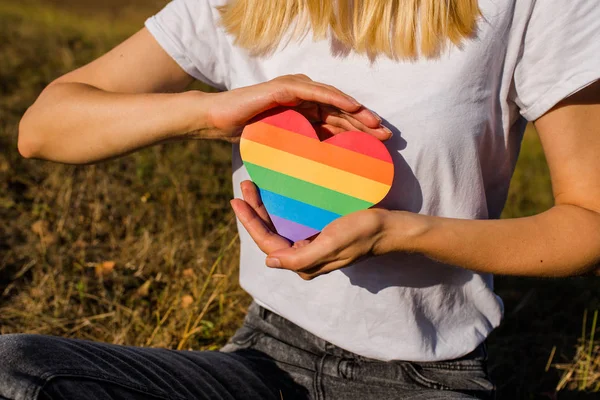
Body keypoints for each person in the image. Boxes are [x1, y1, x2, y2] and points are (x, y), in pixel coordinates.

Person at [2, 0, 599, 399]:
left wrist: (400, 233)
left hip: (428, 378)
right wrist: (212, 113)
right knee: (16, 370)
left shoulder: (538, 8)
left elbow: (588, 222)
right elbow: (44, 127)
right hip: (264, 358)